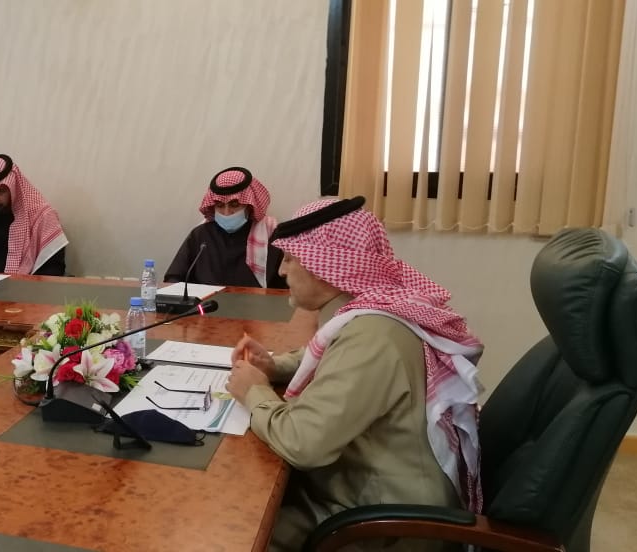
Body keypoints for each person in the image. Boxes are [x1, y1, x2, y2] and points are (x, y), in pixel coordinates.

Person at [225, 196, 484, 551]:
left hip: (380, 523)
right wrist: (275, 366)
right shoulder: (371, 310)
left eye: (290, 258)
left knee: (233, 532)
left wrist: (254, 391)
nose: (282, 271)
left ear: (323, 264)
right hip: (369, 492)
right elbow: (336, 355)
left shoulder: (372, 336)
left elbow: (303, 443)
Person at [164, 167, 286, 288]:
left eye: (234, 204)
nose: (227, 213)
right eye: (220, 205)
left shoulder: (270, 234)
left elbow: (285, 284)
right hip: (206, 300)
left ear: (249, 205)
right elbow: (174, 278)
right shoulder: (201, 234)